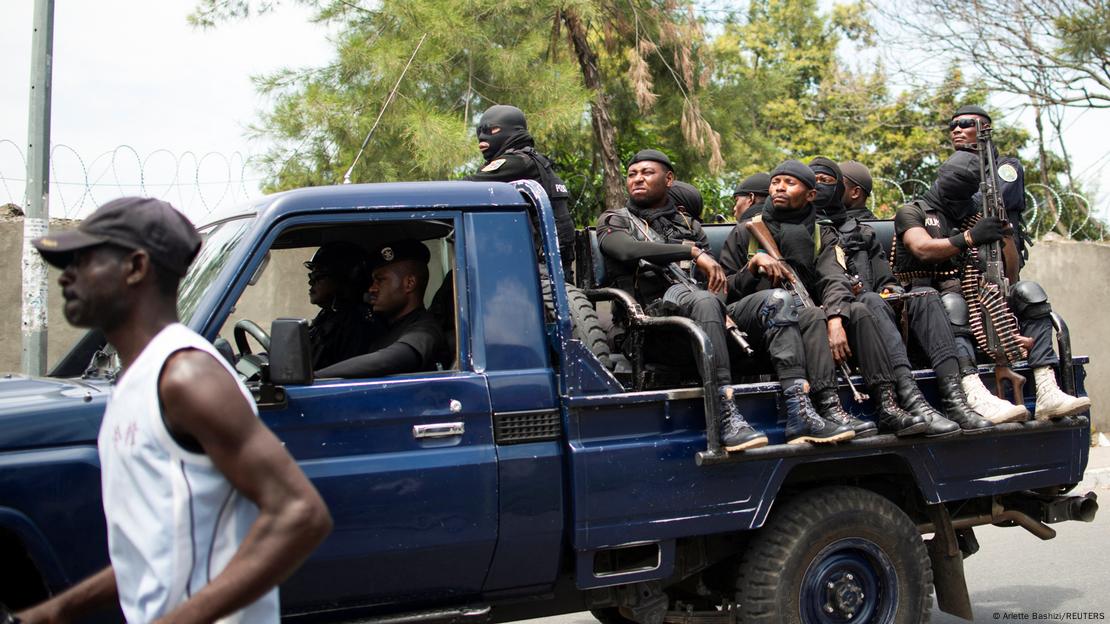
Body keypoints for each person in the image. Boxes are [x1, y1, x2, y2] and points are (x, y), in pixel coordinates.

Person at [22, 197, 332, 623]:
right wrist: (56, 611)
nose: (66, 276)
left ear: (135, 267)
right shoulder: (136, 380)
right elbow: (153, 551)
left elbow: (301, 514)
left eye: (84, 260)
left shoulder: (186, 376)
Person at [721, 160, 927, 439]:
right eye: (776, 182)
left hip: (810, 312)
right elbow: (723, 290)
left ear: (810, 195)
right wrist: (753, 267)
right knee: (811, 315)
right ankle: (829, 406)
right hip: (760, 326)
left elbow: (834, 279)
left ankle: (886, 404)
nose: (780, 187)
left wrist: (836, 319)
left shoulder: (822, 233)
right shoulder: (746, 232)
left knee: (860, 311)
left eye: (790, 183)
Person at [893, 151, 1090, 421]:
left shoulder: (974, 215)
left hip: (978, 303)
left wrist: (1002, 232)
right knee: (953, 303)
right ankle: (972, 390)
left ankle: (1046, 386)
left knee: (1029, 292)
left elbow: (1009, 275)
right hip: (930, 314)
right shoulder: (911, 212)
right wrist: (970, 237)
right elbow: (922, 248)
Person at [596, 149, 769, 451]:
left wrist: (722, 301)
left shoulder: (690, 227)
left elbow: (714, 283)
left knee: (775, 301)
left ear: (669, 179)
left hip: (701, 324)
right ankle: (725, 415)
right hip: (648, 332)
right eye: (632, 174)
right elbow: (626, 250)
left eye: (647, 173)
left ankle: (801, 404)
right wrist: (690, 252)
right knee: (703, 302)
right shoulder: (615, 219)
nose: (637, 179)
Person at [811, 157, 978, 435]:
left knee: (923, 295)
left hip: (875, 309)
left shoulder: (861, 232)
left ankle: (954, 399)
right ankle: (912, 400)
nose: (821, 187)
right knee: (871, 301)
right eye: (815, 181)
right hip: (838, 316)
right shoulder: (805, 232)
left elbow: (885, 279)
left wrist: (894, 291)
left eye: (829, 182)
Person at [464, 104, 576, 277]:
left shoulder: (517, 163)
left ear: (512, 130)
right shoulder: (533, 161)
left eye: (490, 130)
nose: (482, 138)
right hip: (551, 266)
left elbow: (465, 189)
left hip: (540, 270)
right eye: (479, 131)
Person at [316, 239, 447, 378]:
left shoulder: (425, 328)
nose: (372, 288)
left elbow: (388, 360)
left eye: (380, 280)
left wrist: (316, 377)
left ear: (409, 284)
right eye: (373, 281)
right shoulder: (388, 327)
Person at [949, 104, 1031, 268]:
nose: (957, 130)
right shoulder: (951, 172)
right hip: (962, 258)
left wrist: (943, 203)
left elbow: (984, 201)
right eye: (953, 126)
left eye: (966, 124)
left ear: (985, 128)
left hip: (1000, 258)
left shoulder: (1007, 167)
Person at [305, 241, 379, 370]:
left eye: (319, 276)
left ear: (345, 278)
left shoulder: (358, 325)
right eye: (311, 275)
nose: (311, 282)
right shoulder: (329, 315)